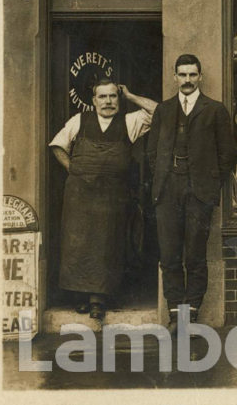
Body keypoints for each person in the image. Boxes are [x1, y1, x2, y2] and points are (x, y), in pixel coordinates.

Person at [49, 80, 157, 321]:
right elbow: (57, 145)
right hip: (80, 194)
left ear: (119, 100)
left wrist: (131, 95)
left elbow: (159, 112)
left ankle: (98, 300)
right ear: (93, 100)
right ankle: (80, 296)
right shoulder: (79, 120)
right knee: (78, 244)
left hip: (112, 196)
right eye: (103, 97)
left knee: (107, 245)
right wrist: (74, 169)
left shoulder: (130, 121)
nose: (108, 102)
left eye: (113, 97)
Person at [146, 54, 236, 334]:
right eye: (182, 75)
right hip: (168, 188)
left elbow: (228, 155)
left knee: (195, 254)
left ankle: (191, 312)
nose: (187, 80)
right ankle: (175, 313)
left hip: (199, 191)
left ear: (200, 77)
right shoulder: (164, 110)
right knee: (170, 253)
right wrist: (161, 179)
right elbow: (151, 151)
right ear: (175, 77)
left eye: (192, 75)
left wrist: (210, 187)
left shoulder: (215, 110)